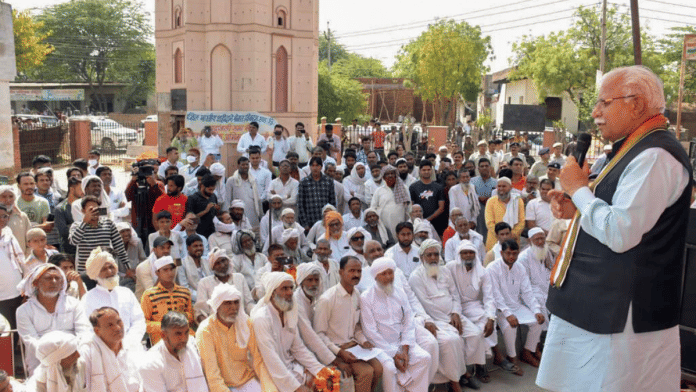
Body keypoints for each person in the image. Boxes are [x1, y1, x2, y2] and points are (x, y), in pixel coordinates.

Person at [537, 66, 691, 391]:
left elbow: (621, 233)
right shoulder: (632, 147)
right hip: (596, 304)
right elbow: (616, 212)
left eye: (604, 103)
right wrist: (575, 205)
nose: (595, 113)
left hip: (623, 316)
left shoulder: (656, 156)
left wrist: (578, 190)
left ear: (635, 104)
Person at [407, 240, 473, 391]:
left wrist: (455, 313)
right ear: (422, 257)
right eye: (429, 255)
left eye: (436, 254)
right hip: (433, 318)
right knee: (452, 340)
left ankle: (464, 372)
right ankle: (454, 381)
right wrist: (448, 320)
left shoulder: (445, 271)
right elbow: (424, 304)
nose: (433, 258)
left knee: (475, 334)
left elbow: (455, 295)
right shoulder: (415, 277)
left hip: (453, 315)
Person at [360, 257, 432, 392]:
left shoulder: (399, 291)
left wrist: (405, 350)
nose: (388, 277)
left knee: (424, 358)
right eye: (383, 274)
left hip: (401, 342)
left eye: (390, 273)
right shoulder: (366, 297)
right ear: (375, 276)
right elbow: (370, 332)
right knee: (391, 368)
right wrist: (394, 354)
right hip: (381, 346)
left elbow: (408, 321)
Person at [314, 256, 384, 392]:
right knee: (366, 372)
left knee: (379, 368)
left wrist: (364, 341)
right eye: (351, 271)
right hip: (335, 349)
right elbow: (319, 334)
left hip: (354, 347)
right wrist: (339, 353)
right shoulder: (327, 299)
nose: (356, 275)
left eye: (358, 271)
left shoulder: (356, 294)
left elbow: (356, 326)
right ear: (340, 272)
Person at [250, 272, 328, 392]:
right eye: (284, 289)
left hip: (289, 367)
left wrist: (320, 370)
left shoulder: (288, 312)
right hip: (270, 372)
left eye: (291, 288)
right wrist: (296, 388)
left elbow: (299, 348)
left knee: (327, 381)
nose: (290, 293)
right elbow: (271, 359)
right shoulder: (262, 318)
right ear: (272, 293)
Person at [196, 284, 274, 391]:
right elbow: (213, 375)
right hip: (222, 386)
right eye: (228, 303)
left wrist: (270, 389)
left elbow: (258, 360)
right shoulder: (206, 330)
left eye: (236, 302)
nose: (233, 307)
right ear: (217, 305)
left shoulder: (245, 323)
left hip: (247, 381)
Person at [16, 264, 91, 376]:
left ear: (62, 284)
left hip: (74, 359)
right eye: (48, 278)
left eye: (57, 278)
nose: (54, 281)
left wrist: (72, 355)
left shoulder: (74, 304)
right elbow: (31, 341)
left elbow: (84, 333)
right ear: (36, 283)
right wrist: (57, 359)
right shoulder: (24, 311)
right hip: (41, 364)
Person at [487, 239, 545, 375]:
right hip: (499, 309)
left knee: (537, 322)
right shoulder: (492, 268)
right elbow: (495, 295)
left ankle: (527, 352)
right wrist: (508, 314)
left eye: (514, 253)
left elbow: (527, 291)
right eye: (508, 253)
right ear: (501, 253)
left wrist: (536, 310)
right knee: (510, 326)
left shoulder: (520, 268)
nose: (511, 257)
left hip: (516, 306)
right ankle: (512, 358)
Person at [446, 240, 497, 384]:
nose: (468, 256)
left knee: (484, 327)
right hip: (453, 307)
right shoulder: (450, 267)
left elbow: (489, 297)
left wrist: (491, 318)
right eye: (464, 253)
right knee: (463, 333)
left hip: (473, 306)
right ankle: (463, 369)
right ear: (458, 255)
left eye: (471, 253)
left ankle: (479, 365)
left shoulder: (483, 271)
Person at [81, 248, 146, 350]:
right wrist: (108, 346)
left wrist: (129, 342)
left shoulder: (126, 293)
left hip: (132, 348)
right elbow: (86, 329)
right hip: (102, 351)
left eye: (111, 267)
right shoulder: (88, 298)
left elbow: (138, 320)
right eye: (103, 269)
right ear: (96, 273)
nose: (110, 272)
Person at [139, 311, 209, 391]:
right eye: (178, 334)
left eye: (186, 333)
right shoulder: (151, 363)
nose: (184, 338)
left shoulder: (194, 346)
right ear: (163, 335)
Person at [81, 307, 142, 391]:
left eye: (119, 322)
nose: (117, 328)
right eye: (110, 325)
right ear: (97, 331)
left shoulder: (133, 345)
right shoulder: (88, 353)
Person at [69, 196, 130, 274]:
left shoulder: (108, 223)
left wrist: (128, 268)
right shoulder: (77, 225)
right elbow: (73, 241)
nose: (94, 211)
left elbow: (119, 247)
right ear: (83, 211)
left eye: (96, 209)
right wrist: (84, 222)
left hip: (106, 270)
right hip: (86, 271)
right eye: (91, 209)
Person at [140, 256, 194, 345]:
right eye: (165, 270)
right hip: (161, 339)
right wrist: (166, 326)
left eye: (172, 269)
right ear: (157, 273)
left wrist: (180, 319)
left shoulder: (185, 292)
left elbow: (191, 317)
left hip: (185, 337)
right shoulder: (149, 294)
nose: (170, 273)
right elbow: (143, 323)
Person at [194, 248, 254, 323]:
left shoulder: (239, 278)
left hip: (241, 322)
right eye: (217, 263)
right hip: (217, 326)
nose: (222, 265)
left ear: (228, 261)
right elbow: (200, 312)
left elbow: (248, 303)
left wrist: (255, 314)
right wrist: (209, 328)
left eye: (223, 260)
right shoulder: (204, 283)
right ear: (212, 267)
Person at [0, 205, 25, 330]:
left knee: (15, 329)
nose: (2, 219)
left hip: (15, 292)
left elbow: (21, 261)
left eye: (4, 216)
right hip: (1, 296)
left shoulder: (9, 236)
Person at [370, 165, 411, 240]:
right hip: (384, 223)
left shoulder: (404, 188)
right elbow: (373, 208)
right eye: (387, 174)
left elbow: (409, 207)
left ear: (396, 175)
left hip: (400, 221)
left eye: (392, 173)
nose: (390, 176)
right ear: (383, 177)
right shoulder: (379, 190)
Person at [484, 177, 524, 250]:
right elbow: (489, 223)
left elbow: (521, 222)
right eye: (499, 186)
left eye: (504, 186)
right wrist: (501, 235)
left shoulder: (518, 201)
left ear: (510, 187)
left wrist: (511, 235)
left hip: (513, 242)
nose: (501, 188)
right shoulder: (491, 201)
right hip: (494, 242)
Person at [297, 157, 336, 232]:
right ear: (310, 167)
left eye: (317, 166)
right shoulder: (304, 182)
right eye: (313, 165)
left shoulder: (328, 181)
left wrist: (331, 220)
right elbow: (300, 204)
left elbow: (332, 203)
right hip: (309, 222)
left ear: (321, 167)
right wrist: (305, 224)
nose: (315, 168)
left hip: (326, 222)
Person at [409, 160, 447, 236]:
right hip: (418, 224)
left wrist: (427, 220)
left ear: (432, 171)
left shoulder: (438, 187)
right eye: (424, 170)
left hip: (436, 223)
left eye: (428, 170)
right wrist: (421, 220)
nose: (426, 172)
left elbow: (441, 207)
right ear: (420, 171)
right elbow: (411, 207)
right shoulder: (413, 187)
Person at [226, 156, 263, 229]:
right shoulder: (232, 180)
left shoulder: (253, 180)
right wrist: (227, 215)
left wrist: (261, 215)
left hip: (253, 214)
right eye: (243, 164)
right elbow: (227, 199)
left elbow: (258, 199)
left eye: (247, 164)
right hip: (237, 214)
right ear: (238, 166)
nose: (245, 166)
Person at [185, 174, 220, 238]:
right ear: (202, 186)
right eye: (210, 190)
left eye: (213, 190)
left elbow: (215, 215)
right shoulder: (192, 198)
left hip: (212, 233)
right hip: (199, 234)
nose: (212, 192)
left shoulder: (213, 196)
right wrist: (205, 211)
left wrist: (217, 209)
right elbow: (190, 220)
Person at [54, 178, 83, 255]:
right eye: (81, 188)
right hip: (69, 252)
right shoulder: (60, 209)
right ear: (72, 189)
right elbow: (63, 232)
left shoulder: (85, 206)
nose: (84, 191)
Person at [180, 234, 212, 301]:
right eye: (195, 246)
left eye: (201, 245)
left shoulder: (207, 261)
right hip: (193, 300)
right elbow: (184, 288)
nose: (199, 248)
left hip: (211, 297)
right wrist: (202, 297)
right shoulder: (182, 264)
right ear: (188, 248)